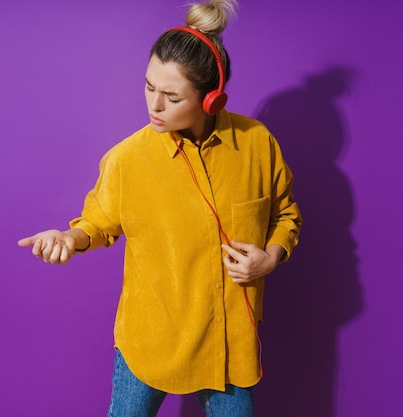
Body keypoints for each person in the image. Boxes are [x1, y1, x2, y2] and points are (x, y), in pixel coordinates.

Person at [17, 0, 301, 415]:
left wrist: (270, 258)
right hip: (148, 341)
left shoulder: (257, 144)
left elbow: (285, 214)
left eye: (171, 96)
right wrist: (70, 237)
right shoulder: (126, 159)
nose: (154, 105)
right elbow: (97, 224)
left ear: (211, 101)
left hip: (230, 344)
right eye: (149, 87)